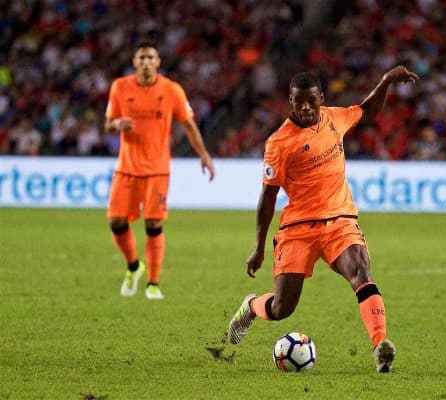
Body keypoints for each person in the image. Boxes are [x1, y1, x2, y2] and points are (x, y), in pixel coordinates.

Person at [227, 67, 419, 373]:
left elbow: (367, 112)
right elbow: (268, 197)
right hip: (297, 229)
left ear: (321, 99)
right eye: (297, 101)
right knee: (281, 309)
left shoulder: (335, 118)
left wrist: (385, 81)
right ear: (290, 103)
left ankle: (380, 345)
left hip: (340, 221)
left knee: (362, 274)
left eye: (310, 101)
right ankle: (251, 306)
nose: (304, 107)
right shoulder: (279, 143)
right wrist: (259, 247)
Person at [105, 42, 215, 300]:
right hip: (127, 169)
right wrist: (116, 124)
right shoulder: (120, 87)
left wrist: (204, 155)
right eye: (141, 57)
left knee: (153, 224)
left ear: (158, 62)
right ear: (134, 62)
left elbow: (188, 125)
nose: (145, 62)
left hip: (157, 170)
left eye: (150, 58)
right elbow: (108, 125)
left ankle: (153, 284)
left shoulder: (171, 90)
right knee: (116, 221)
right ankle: (134, 266)